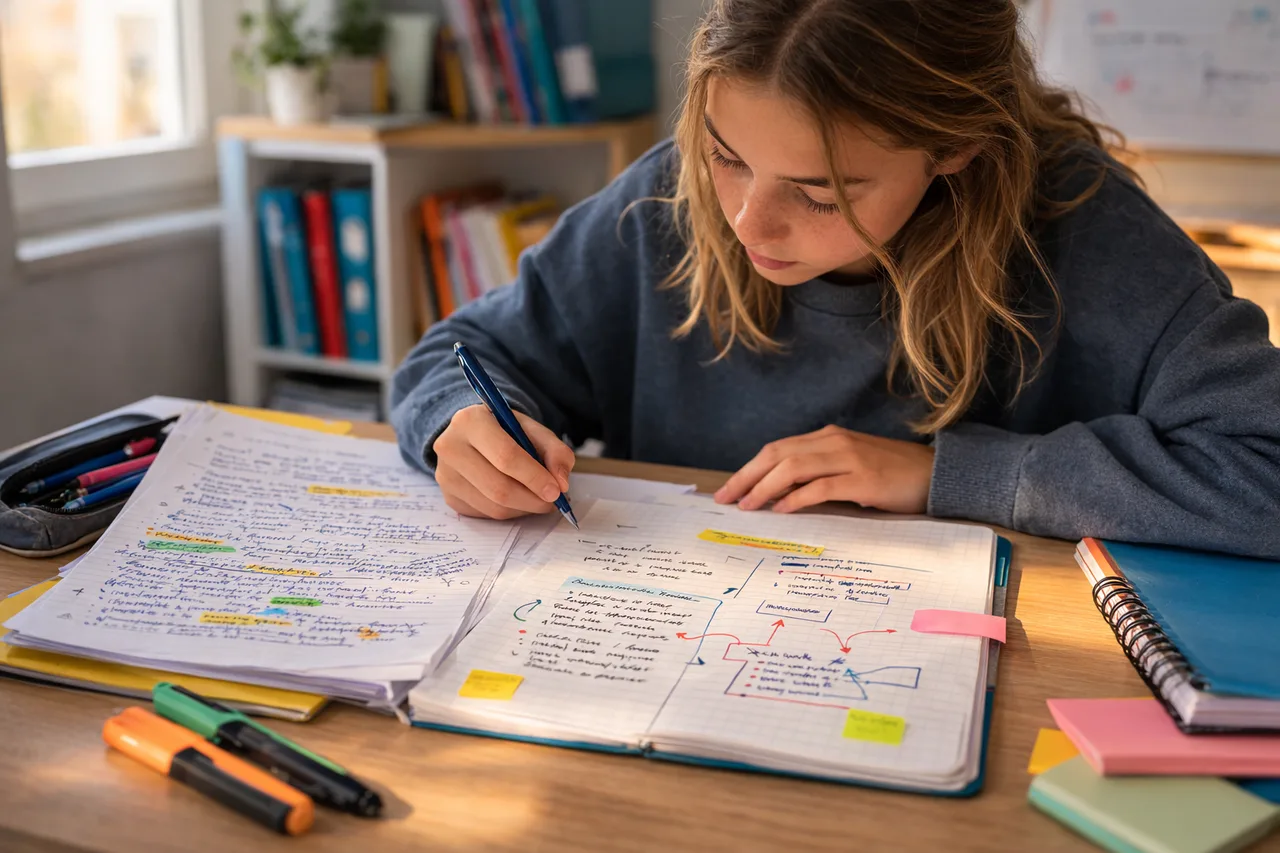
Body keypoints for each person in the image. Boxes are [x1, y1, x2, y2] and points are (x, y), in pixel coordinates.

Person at [390, 0, 1280, 558]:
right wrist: (461, 427)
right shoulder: (666, 196)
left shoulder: (1093, 237)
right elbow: (461, 354)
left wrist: (953, 475)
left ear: (955, 150)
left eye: (820, 195)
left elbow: (1264, 472)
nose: (746, 223)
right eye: (726, 156)